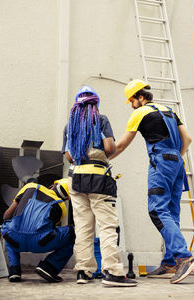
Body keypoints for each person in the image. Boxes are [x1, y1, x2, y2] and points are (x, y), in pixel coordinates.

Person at [110, 79, 194, 284]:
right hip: (177, 162)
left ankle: (184, 257)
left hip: (161, 161)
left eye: (132, 100)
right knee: (171, 211)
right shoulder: (169, 110)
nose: (131, 105)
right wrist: (176, 157)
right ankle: (170, 262)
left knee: (157, 210)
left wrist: (103, 160)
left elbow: (121, 145)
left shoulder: (139, 113)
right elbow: (188, 139)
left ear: (141, 97)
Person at [63, 85, 137, 287]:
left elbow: (69, 156)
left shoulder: (70, 125)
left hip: (76, 180)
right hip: (99, 179)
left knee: (83, 228)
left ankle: (83, 272)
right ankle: (112, 272)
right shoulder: (100, 119)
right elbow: (110, 147)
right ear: (95, 103)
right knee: (106, 227)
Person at [1, 178, 75, 283]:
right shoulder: (62, 207)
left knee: (9, 228)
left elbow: (6, 215)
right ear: (66, 198)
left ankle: (14, 271)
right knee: (75, 233)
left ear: (52, 186)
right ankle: (50, 267)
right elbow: (49, 228)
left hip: (14, 241)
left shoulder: (29, 187)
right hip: (40, 243)